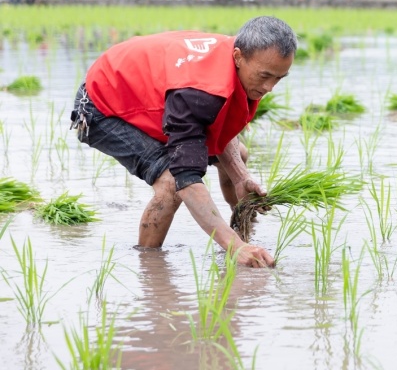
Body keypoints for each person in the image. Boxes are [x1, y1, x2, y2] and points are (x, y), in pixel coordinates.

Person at [70, 16, 297, 267]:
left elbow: (218, 124)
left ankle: (244, 231)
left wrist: (241, 177)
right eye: (265, 76)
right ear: (238, 57)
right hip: (99, 107)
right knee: (170, 183)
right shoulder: (197, 93)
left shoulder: (240, 61)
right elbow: (186, 180)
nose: (269, 87)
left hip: (151, 92)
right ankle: (151, 269)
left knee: (238, 156)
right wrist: (233, 246)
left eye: (279, 78)